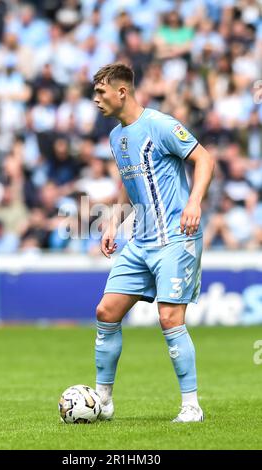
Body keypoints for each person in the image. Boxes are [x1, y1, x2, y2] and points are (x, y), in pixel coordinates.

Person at [93, 63, 215, 423]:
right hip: (140, 240)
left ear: (122, 92)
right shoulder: (116, 137)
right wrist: (114, 221)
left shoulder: (160, 124)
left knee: (169, 317)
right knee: (106, 312)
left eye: (101, 92)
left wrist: (194, 202)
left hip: (176, 238)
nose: (95, 100)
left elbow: (203, 158)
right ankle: (103, 401)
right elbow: (129, 185)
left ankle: (191, 406)